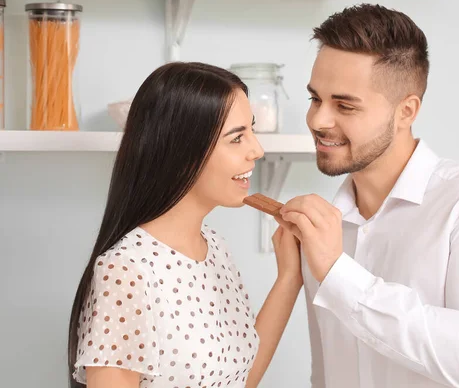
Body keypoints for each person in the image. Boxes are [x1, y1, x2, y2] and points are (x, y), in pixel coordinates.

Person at [277, 4, 459, 387]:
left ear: (406, 111)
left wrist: (339, 274)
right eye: (315, 99)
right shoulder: (324, 231)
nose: (318, 120)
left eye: (345, 105)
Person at [67, 62, 303, 388]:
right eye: (237, 139)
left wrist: (290, 277)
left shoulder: (214, 247)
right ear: (182, 151)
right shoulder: (127, 270)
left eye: (252, 131)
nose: (257, 150)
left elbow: (239, 379)